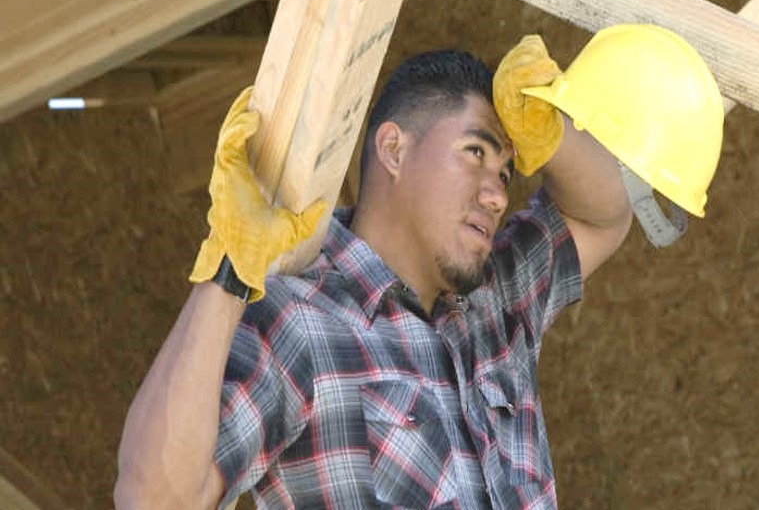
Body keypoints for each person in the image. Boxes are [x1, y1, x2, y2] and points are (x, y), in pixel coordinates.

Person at [114, 25, 722, 510]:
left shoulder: (496, 306)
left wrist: (552, 136)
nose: (496, 194)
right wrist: (228, 270)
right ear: (393, 150)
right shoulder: (302, 326)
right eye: (476, 152)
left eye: (507, 172)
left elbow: (603, 216)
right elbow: (153, 498)